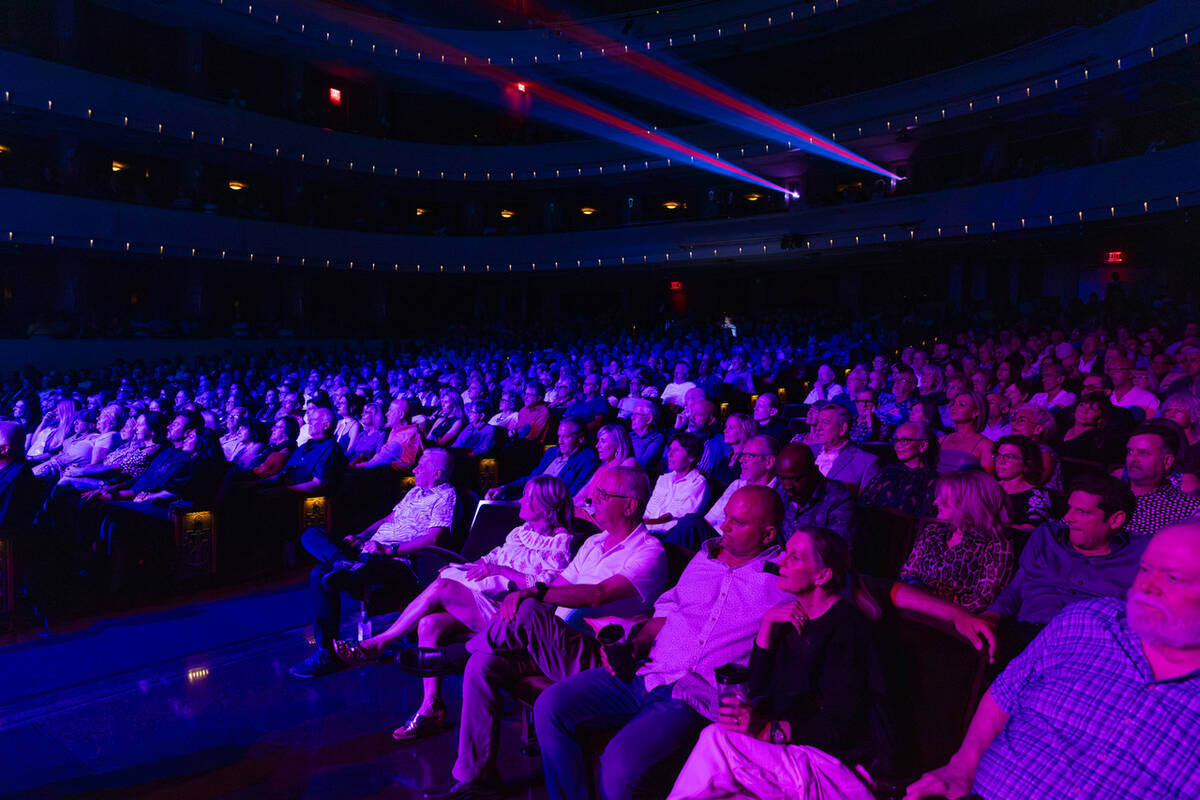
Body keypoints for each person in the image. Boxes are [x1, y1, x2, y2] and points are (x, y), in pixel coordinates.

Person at [904, 522, 1200, 800]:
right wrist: (963, 766)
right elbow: (1003, 696)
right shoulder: (1087, 621)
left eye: (1172, 577)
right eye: (1145, 568)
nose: (1146, 586)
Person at [421, 466, 667, 800]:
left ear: (630, 506)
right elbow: (558, 586)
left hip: (597, 656)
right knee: (483, 665)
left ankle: (453, 654)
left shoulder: (649, 552)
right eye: (595, 492)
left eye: (604, 495)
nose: (592, 499)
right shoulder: (594, 542)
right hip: (554, 643)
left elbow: (598, 595)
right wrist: (528, 593)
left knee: (529, 607)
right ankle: (475, 781)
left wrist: (531, 594)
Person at [532, 485, 791, 800]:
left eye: (737, 522)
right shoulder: (704, 557)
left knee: (619, 763)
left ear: (767, 535)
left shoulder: (786, 577)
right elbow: (667, 610)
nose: (724, 526)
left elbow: (836, 589)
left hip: (695, 693)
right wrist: (635, 645)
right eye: (726, 517)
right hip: (648, 671)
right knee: (550, 706)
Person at [331, 475, 576, 740]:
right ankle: (431, 708)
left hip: (515, 615)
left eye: (528, 496)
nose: (521, 500)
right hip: (488, 598)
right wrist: (466, 567)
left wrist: (499, 570)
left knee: (442, 587)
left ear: (545, 505)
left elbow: (547, 588)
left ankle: (379, 643)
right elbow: (490, 559)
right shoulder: (520, 531)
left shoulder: (562, 542)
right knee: (429, 623)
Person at [667, 527, 885, 800]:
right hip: (790, 755)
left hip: (831, 766)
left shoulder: (845, 627)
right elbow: (757, 686)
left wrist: (768, 730)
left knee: (717, 739)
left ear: (823, 575)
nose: (780, 561)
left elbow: (844, 726)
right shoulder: (790, 618)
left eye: (794, 557)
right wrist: (767, 625)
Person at [289, 448, 456, 678]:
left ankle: (326, 654)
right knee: (311, 534)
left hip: (396, 560)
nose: (415, 468)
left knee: (321, 574)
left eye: (421, 465)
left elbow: (436, 537)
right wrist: (361, 536)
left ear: (436, 474)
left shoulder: (446, 496)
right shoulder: (415, 492)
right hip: (369, 551)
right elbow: (388, 519)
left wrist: (390, 549)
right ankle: (344, 560)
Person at [899, 471, 1015, 613]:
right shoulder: (933, 531)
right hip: (914, 606)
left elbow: (982, 599)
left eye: (944, 498)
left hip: (954, 621)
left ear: (968, 503)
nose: (935, 502)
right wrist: (920, 597)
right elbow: (908, 572)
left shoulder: (996, 545)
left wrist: (940, 609)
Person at [486, 417, 600, 500]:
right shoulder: (552, 452)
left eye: (565, 437)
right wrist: (504, 488)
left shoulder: (588, 458)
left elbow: (572, 493)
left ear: (580, 438)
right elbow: (531, 478)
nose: (560, 441)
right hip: (525, 501)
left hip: (546, 509)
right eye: (559, 436)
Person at [1121, 424, 1200, 536]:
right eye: (1129, 452)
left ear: (1167, 461)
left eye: (1143, 453)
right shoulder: (1106, 496)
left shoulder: (1187, 507)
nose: (1132, 459)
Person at [777, 442, 855, 544]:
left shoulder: (838, 498)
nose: (787, 486)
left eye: (795, 479)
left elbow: (839, 549)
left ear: (814, 471)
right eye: (782, 479)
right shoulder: (779, 490)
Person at [858, 422, 938, 517]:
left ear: (923, 445)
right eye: (896, 440)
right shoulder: (887, 472)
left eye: (905, 440)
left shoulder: (933, 480)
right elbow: (864, 503)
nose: (897, 446)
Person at [644, 434, 709, 543]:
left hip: (669, 539)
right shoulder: (664, 479)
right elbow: (649, 509)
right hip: (647, 533)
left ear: (691, 457)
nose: (669, 454)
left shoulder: (698, 483)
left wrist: (648, 522)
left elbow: (681, 518)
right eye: (670, 449)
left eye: (676, 450)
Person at [810, 404, 879, 496]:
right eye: (818, 422)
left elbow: (866, 505)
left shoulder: (866, 462)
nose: (818, 428)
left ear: (842, 428)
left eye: (825, 422)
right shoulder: (808, 452)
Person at [573, 424, 637, 519]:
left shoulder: (628, 464)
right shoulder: (603, 468)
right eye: (598, 441)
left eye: (603, 441)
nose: (597, 446)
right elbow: (581, 494)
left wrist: (585, 504)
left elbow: (616, 504)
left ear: (618, 446)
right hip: (592, 514)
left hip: (609, 521)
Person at [992, 435, 1052, 529]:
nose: (1001, 461)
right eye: (998, 455)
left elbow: (1031, 529)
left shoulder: (1036, 495)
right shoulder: (987, 487)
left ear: (1027, 463)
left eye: (1009, 456)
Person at [937, 392, 994, 474]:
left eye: (961, 405)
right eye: (954, 404)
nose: (953, 408)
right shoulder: (941, 440)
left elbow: (988, 481)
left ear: (976, 412)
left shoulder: (985, 445)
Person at [629, 398, 666, 471]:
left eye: (636, 414)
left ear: (649, 419)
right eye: (632, 414)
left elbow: (643, 463)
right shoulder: (628, 435)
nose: (632, 418)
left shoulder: (657, 438)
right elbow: (616, 454)